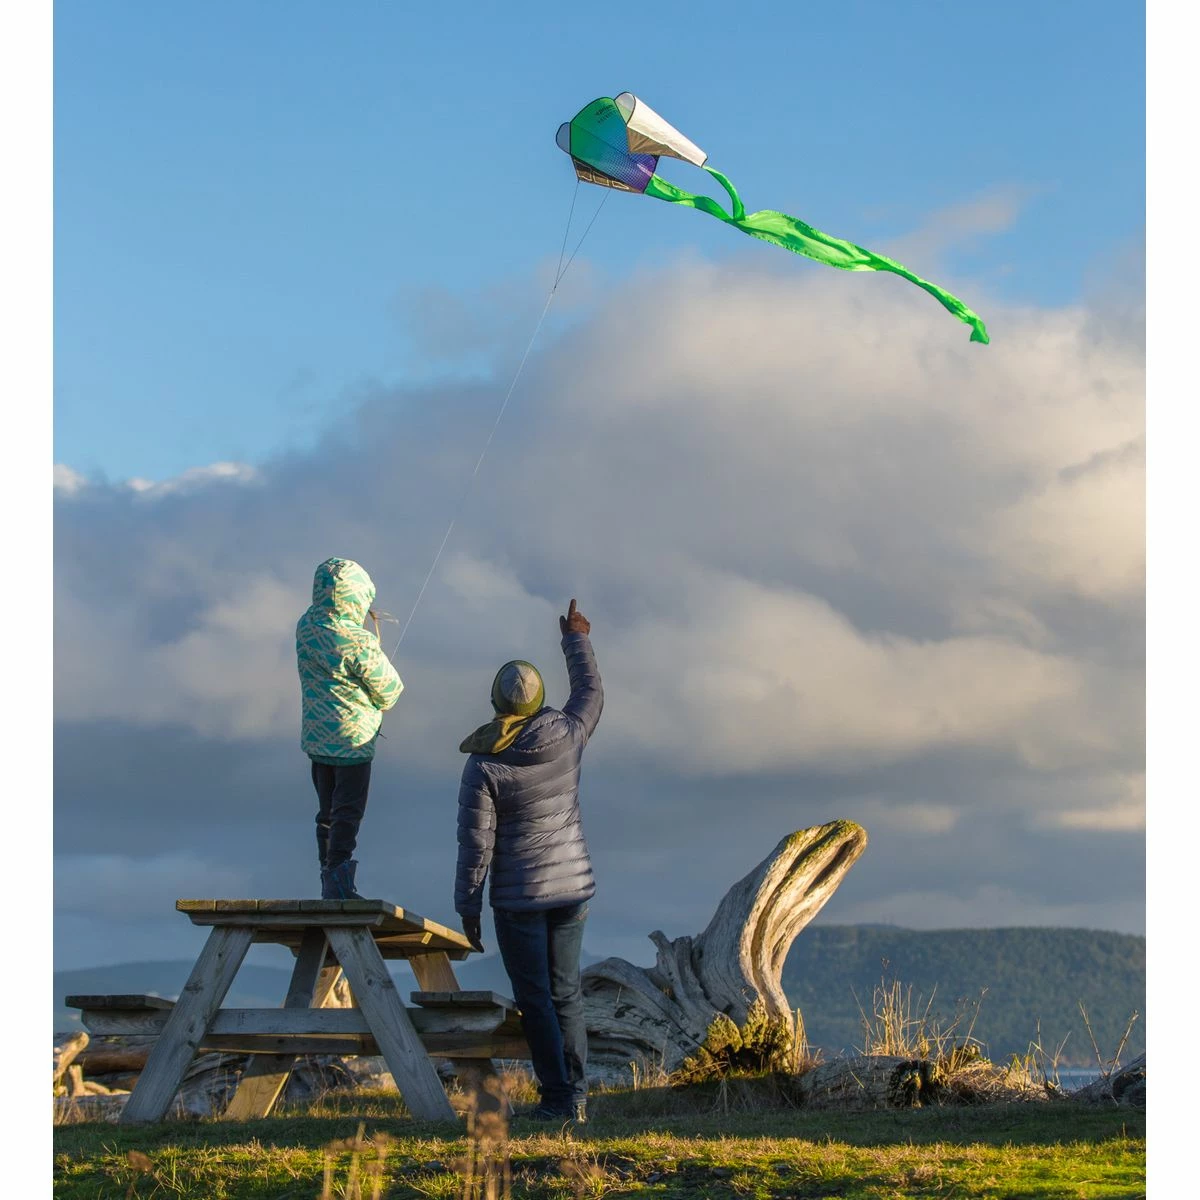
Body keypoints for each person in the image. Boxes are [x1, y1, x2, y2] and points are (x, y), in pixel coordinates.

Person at [454, 598, 603, 1123]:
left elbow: (476, 844)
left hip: (518, 898)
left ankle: (558, 1098)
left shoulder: (483, 764)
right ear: (539, 701)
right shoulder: (568, 733)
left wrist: (468, 907)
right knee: (567, 992)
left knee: (535, 998)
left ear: (496, 701)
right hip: (572, 888)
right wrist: (576, 638)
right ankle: (575, 1097)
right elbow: (590, 692)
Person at [296, 557, 403, 899]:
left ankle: (328, 877)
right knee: (348, 813)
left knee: (326, 814)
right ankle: (339, 883)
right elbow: (390, 691)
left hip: (317, 740)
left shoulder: (305, 626)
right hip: (353, 742)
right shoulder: (358, 641)